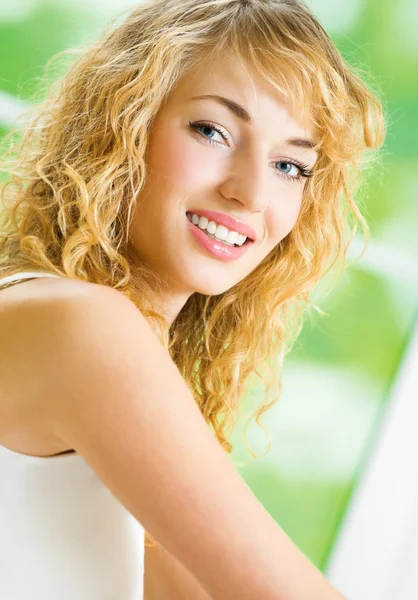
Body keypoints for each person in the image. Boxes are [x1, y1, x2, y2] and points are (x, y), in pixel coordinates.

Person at [0, 0, 385, 598]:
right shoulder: (83, 326)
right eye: (213, 131)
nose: (252, 191)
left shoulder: (86, 335)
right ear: (122, 121)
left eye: (290, 165)